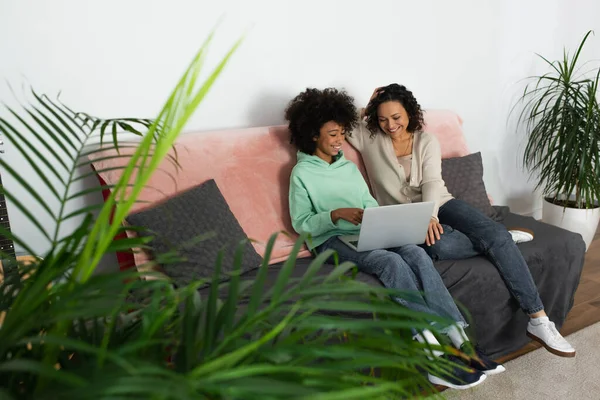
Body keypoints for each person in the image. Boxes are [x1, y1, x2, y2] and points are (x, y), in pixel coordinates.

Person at [286, 87, 505, 390]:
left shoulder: (348, 168)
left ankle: (460, 340)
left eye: (341, 134)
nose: (340, 141)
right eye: (333, 135)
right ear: (312, 135)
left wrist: (379, 220)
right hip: (331, 240)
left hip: (365, 232)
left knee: (415, 253)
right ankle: (432, 351)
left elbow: (369, 203)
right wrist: (335, 214)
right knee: (389, 261)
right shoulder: (301, 174)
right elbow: (302, 224)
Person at [348, 83, 575, 358]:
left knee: (482, 234)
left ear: (409, 112)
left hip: (442, 203)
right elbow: (343, 125)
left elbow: (432, 181)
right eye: (382, 119)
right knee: (440, 248)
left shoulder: (426, 140)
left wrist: (430, 215)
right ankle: (500, 238)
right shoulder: (368, 137)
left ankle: (538, 320)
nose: (390, 124)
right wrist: (370, 105)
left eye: (396, 117)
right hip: (403, 216)